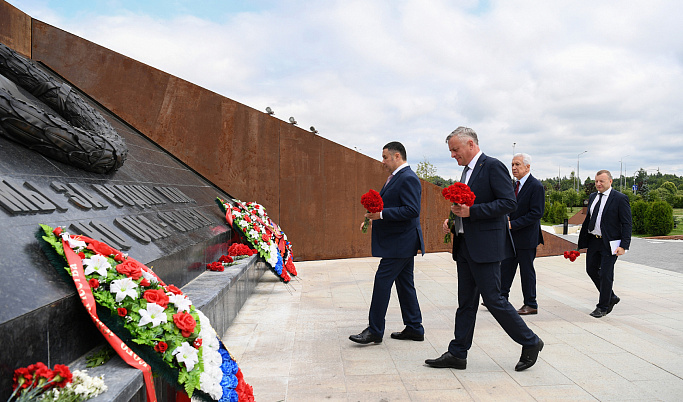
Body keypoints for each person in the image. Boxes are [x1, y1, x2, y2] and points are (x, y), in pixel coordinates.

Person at [425, 127, 543, 372]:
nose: (452, 155)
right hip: (466, 246)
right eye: (451, 151)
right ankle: (458, 353)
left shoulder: (492, 166)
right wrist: (454, 219)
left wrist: (472, 212)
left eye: (455, 150)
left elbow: (508, 203)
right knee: (466, 302)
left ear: (470, 144)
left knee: (494, 300)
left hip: (486, 248)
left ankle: (531, 341)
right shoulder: (466, 173)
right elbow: (465, 205)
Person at [350, 141, 426, 344]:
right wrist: (373, 219)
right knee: (405, 284)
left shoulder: (408, 178)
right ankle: (414, 327)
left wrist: (381, 215)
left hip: (401, 243)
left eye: (385, 157)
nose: (382, 161)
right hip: (400, 241)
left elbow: (412, 210)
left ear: (397, 156)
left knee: (382, 282)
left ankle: (375, 330)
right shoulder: (396, 177)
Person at [577, 170, 632, 318]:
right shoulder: (593, 196)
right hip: (594, 240)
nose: (598, 184)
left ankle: (602, 306)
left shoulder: (620, 198)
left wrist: (624, 245)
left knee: (606, 274)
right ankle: (611, 297)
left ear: (610, 181)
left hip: (611, 243)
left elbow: (627, 224)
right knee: (591, 270)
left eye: (601, 181)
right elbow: (589, 219)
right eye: (596, 181)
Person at [499, 153, 545, 315]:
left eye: (517, 164)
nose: (513, 168)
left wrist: (512, 224)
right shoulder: (514, 185)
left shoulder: (536, 186)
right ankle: (501, 299)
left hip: (526, 238)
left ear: (527, 167)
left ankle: (531, 304)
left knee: (526, 271)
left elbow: (536, 213)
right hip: (511, 237)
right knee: (506, 268)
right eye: (512, 164)